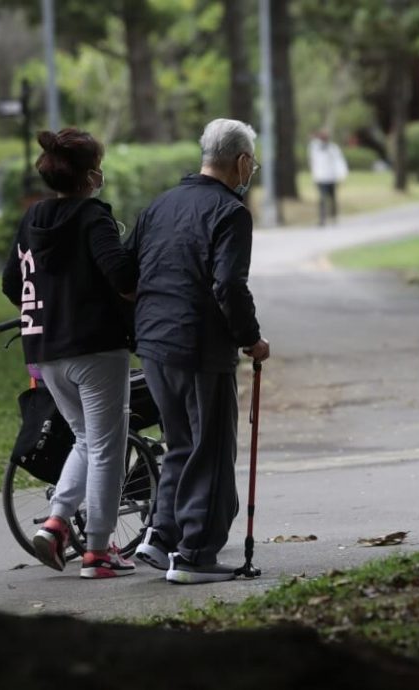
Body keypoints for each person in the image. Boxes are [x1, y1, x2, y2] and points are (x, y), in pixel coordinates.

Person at [129, 118, 270, 584]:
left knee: (180, 443)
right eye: (252, 162)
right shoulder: (230, 213)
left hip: (153, 342)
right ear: (242, 162)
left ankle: (161, 536)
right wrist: (251, 339)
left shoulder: (161, 204)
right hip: (198, 345)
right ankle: (194, 556)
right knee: (208, 449)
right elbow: (229, 283)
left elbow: (126, 269)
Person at [1, 127, 137, 579]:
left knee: (86, 439)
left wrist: (49, 309)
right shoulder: (93, 216)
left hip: (45, 348)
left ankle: (58, 523)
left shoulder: (31, 219)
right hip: (95, 348)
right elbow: (120, 274)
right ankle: (98, 552)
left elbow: (10, 282)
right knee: (107, 448)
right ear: (88, 176)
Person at [308, 129, 348, 226]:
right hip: (320, 177)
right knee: (322, 199)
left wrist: (342, 175)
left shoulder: (333, 148)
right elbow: (313, 161)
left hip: (331, 177)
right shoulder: (314, 148)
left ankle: (333, 216)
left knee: (332, 197)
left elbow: (339, 161)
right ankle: (322, 219)